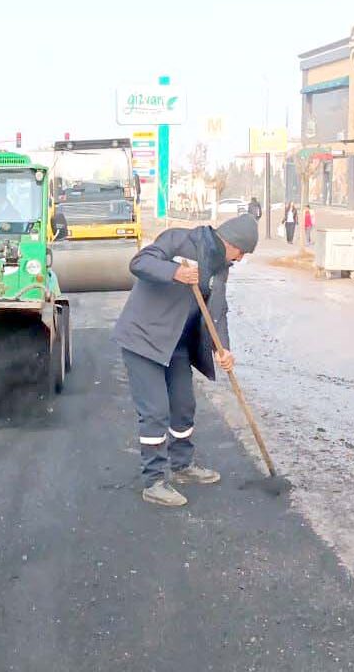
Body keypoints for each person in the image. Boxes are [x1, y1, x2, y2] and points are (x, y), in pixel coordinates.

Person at [113, 215, 259, 506]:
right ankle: (154, 481)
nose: (241, 259)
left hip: (176, 344)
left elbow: (218, 310)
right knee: (155, 411)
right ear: (230, 242)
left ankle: (182, 465)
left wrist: (223, 349)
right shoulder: (180, 239)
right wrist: (174, 272)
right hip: (144, 338)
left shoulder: (220, 268)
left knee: (183, 405)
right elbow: (139, 263)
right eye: (241, 252)